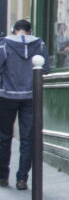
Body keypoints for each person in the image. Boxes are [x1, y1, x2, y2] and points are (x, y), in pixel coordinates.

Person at [0, 20, 50, 190]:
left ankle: (2, 177)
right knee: (28, 138)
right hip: (31, 97)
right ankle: (22, 178)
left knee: (4, 137)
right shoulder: (40, 44)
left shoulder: (4, 45)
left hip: (7, 96)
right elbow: (46, 69)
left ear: (14, 30)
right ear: (30, 31)